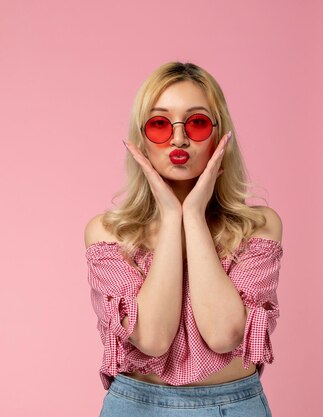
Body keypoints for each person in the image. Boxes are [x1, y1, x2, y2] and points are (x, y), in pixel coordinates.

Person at [84, 62, 283, 416]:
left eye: (196, 123)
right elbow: (153, 339)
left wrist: (192, 214)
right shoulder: (108, 233)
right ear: (141, 138)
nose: (179, 139)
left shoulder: (259, 226)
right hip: (136, 406)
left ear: (220, 135)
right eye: (160, 124)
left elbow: (224, 335)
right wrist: (172, 214)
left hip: (234, 405)